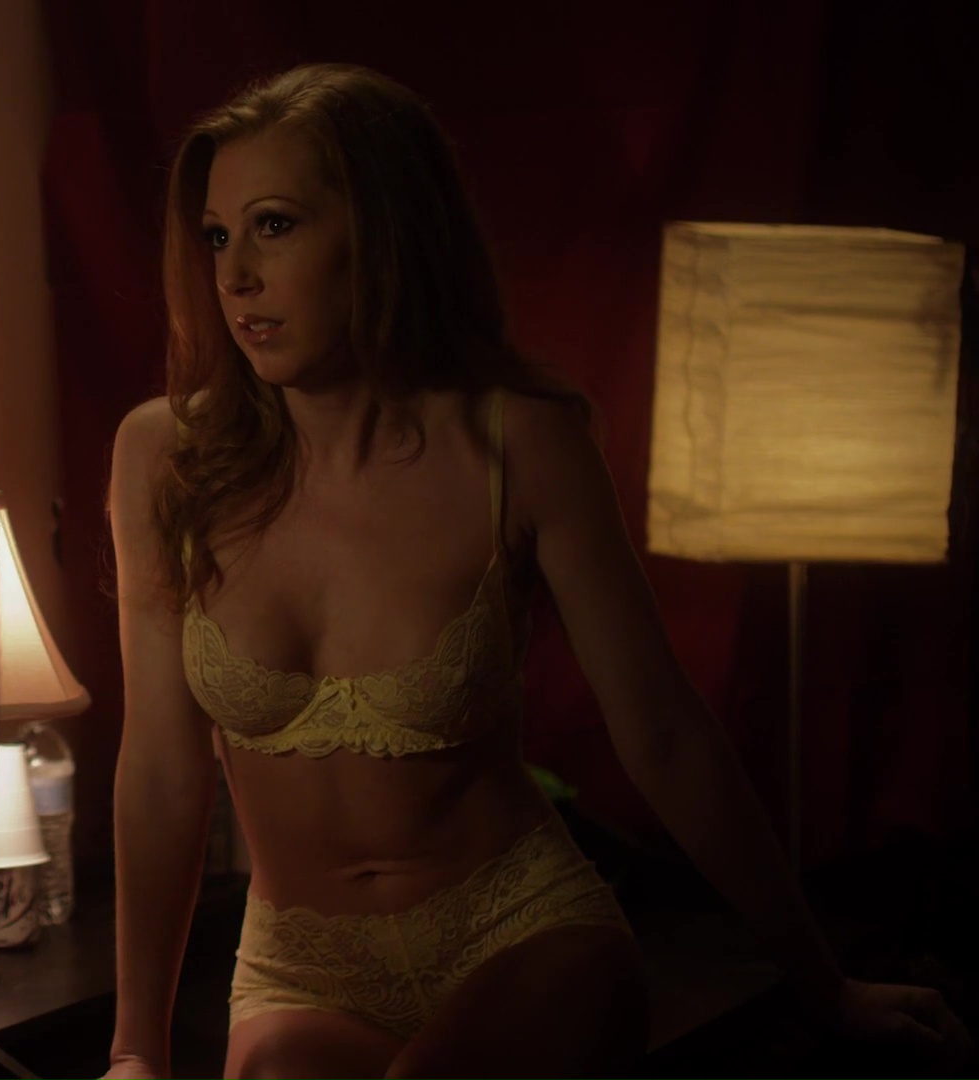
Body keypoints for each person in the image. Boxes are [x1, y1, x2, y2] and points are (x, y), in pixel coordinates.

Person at [103, 64, 972, 1080]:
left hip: (517, 934)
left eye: (275, 226)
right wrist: (135, 1053)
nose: (236, 276)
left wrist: (825, 986)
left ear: (385, 232)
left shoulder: (520, 443)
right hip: (300, 970)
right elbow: (161, 770)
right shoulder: (164, 458)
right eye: (217, 236)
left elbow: (665, 734)